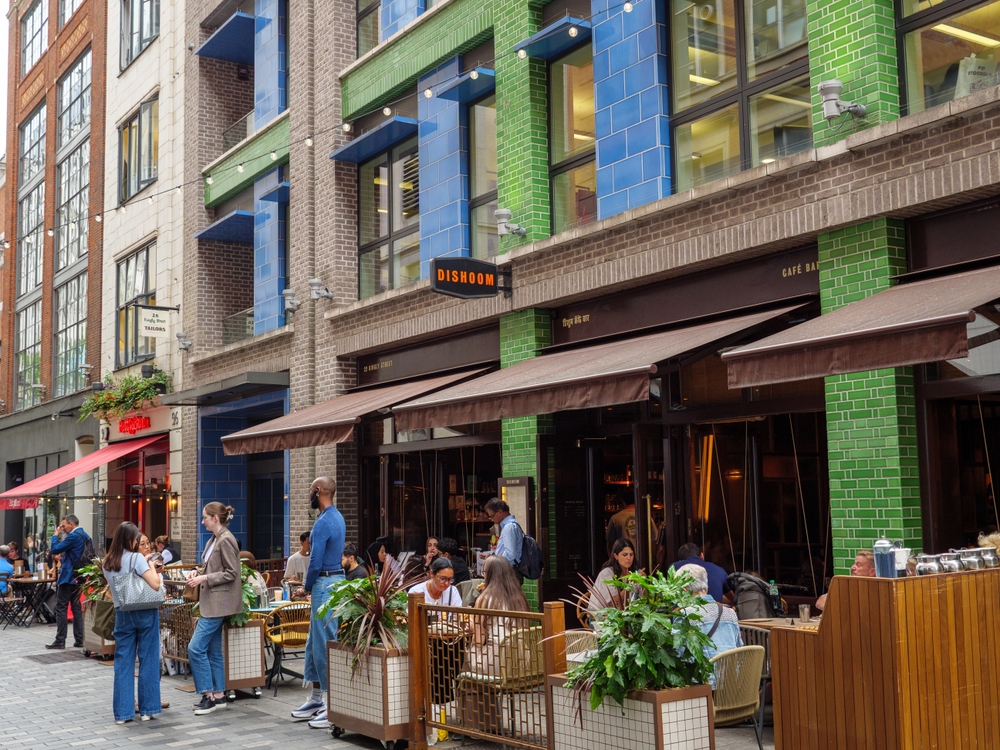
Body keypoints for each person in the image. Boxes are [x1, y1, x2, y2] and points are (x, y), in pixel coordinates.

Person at [291, 477, 346, 730]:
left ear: (318, 491)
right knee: (316, 641)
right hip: (334, 581)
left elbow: (315, 561)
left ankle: (330, 702)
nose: (308, 494)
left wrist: (306, 587)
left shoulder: (323, 522)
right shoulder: (337, 517)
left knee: (323, 643)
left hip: (324, 582)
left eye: (310, 490)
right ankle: (316, 699)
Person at [102, 522, 163, 724]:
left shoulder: (107, 562)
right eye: (137, 538)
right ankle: (148, 709)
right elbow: (154, 584)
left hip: (122, 612)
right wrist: (152, 567)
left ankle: (122, 713)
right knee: (148, 659)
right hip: (145, 611)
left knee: (123, 662)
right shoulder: (137, 558)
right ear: (131, 539)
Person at [185, 503, 243, 716]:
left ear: (215, 518)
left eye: (205, 518)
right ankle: (219, 695)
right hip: (215, 602)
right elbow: (213, 568)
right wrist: (196, 573)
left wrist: (204, 577)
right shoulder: (215, 539)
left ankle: (208, 695)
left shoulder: (225, 540)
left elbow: (232, 572)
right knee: (213, 651)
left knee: (196, 648)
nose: (203, 521)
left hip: (218, 603)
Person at [678, 563, 742, 687]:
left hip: (705, 689)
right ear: (706, 587)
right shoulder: (730, 613)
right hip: (734, 688)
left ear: (683, 590)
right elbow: (740, 649)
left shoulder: (685, 614)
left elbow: (676, 654)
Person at [465, 556, 528, 671]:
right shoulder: (519, 597)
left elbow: (478, 641)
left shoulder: (485, 599)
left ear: (488, 574)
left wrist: (475, 627)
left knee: (466, 655)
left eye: (483, 572)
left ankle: (468, 687)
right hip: (522, 658)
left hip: (498, 661)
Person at [46, 515, 93, 650]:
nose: (63, 528)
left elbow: (55, 549)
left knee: (61, 607)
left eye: (64, 525)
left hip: (68, 576)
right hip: (80, 576)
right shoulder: (86, 536)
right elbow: (77, 556)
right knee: (76, 608)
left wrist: (55, 535)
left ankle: (60, 640)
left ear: (72, 524)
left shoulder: (73, 536)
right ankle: (79, 639)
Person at [590, 538, 642, 612]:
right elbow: (613, 602)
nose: (629, 558)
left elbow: (644, 599)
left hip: (625, 615)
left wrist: (643, 583)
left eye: (631, 554)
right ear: (615, 556)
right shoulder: (607, 573)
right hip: (601, 617)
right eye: (625, 555)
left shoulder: (634, 572)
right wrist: (630, 584)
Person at [484, 497, 523, 583]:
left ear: (500, 512)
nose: (492, 519)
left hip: (508, 571)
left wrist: (494, 560)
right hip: (509, 570)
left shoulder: (509, 527)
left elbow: (510, 554)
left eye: (492, 516)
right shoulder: (510, 525)